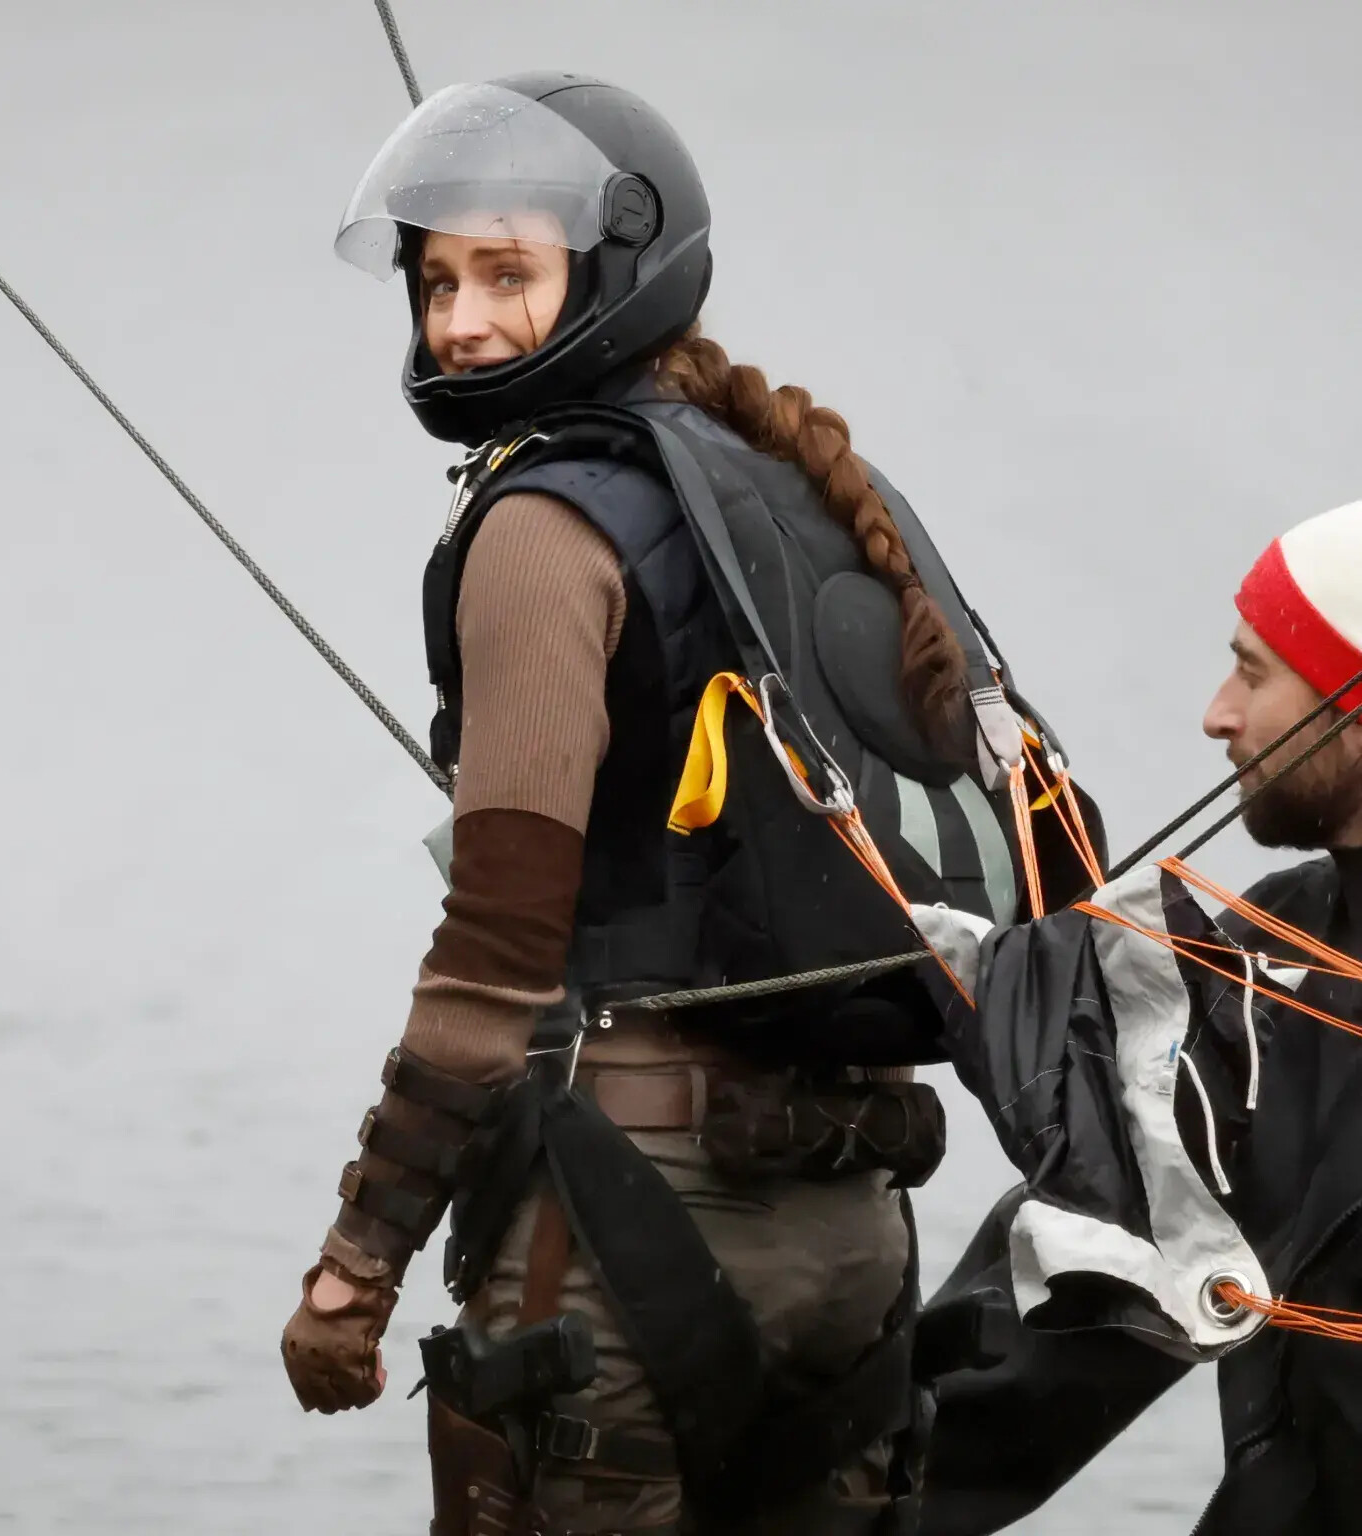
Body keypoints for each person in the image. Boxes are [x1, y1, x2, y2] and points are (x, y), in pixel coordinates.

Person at [277, 73, 1097, 1536]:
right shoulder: (799, 482)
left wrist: (358, 1262)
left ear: (615, 268)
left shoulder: (541, 524)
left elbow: (496, 952)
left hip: (629, 1222)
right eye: (436, 282)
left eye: (507, 274)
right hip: (856, 1232)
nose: (459, 322)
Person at [914, 500, 1362, 1536]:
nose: (1216, 714)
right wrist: (853, 1475)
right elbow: (1089, 1281)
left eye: (1253, 672)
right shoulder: (1276, 955)